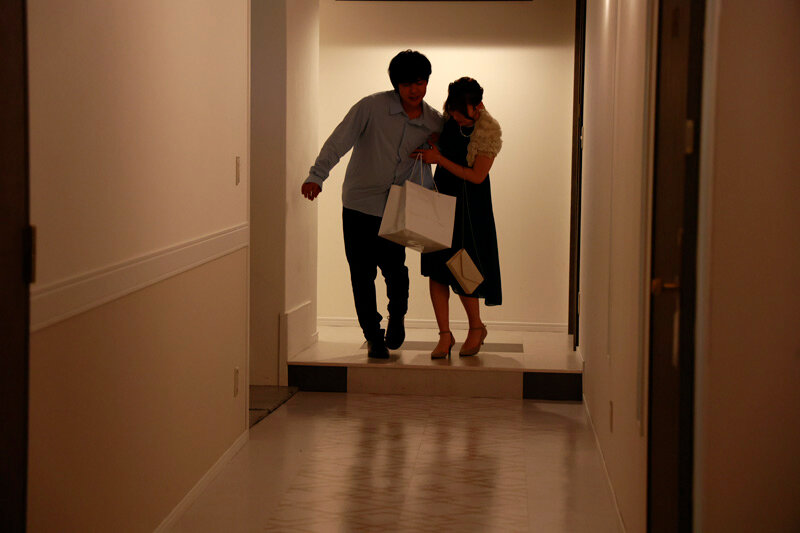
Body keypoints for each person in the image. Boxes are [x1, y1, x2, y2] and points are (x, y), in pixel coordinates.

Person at [301, 50, 443, 359]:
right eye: (407, 84)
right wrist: (317, 175)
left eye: (420, 82)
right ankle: (373, 336)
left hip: (398, 206)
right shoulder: (371, 107)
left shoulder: (433, 121)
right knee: (361, 274)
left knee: (396, 271)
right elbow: (339, 141)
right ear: (396, 85)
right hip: (359, 204)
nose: (415, 90)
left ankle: (398, 315)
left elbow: (454, 147)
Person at [411, 77, 502, 359]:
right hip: (441, 199)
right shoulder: (449, 122)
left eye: (462, 115)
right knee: (436, 268)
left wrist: (439, 159)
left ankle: (476, 327)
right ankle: (444, 335)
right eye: (453, 113)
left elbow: (477, 176)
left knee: (463, 266)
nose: (457, 119)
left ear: (477, 107)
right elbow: (440, 143)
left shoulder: (488, 132)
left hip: (470, 208)